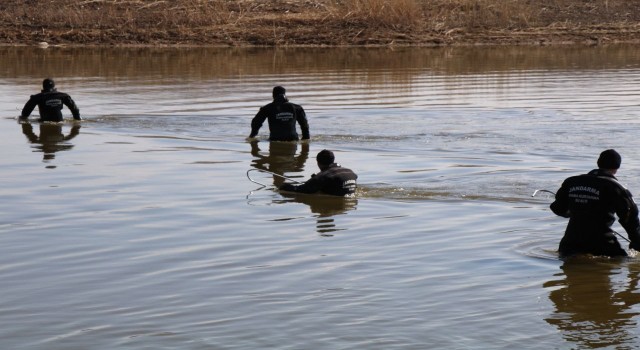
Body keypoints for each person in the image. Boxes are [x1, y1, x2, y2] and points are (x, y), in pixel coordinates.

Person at [550, 149, 640, 257]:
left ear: (598, 163)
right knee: (625, 263)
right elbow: (630, 218)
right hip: (602, 244)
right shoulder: (616, 187)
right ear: (617, 168)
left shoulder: (572, 181)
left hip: (570, 243)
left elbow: (557, 208)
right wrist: (636, 241)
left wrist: (574, 213)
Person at [280, 149, 357, 197]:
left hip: (340, 199)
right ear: (333, 160)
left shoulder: (323, 176)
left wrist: (284, 187)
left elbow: (301, 190)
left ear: (318, 163)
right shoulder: (350, 171)